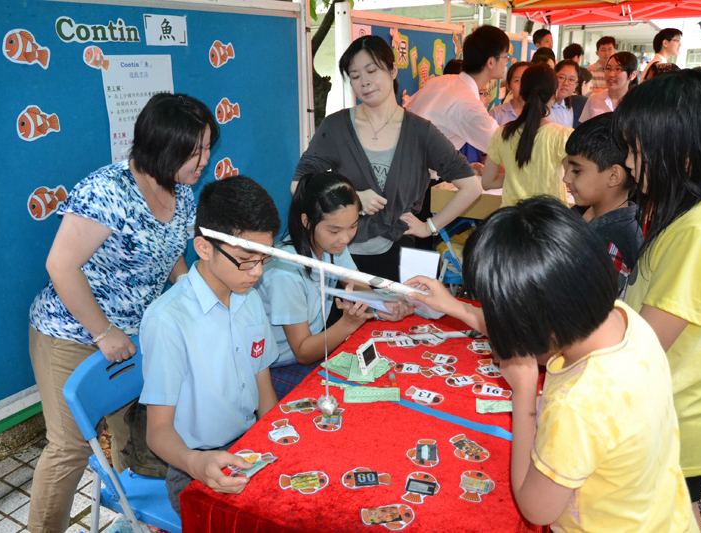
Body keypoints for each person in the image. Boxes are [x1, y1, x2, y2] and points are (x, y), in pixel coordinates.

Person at [404, 197, 698, 533]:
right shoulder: (624, 319)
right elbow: (539, 320)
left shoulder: (577, 406)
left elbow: (536, 509)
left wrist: (524, 392)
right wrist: (457, 307)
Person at [26, 93, 218, 533]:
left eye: (208, 147)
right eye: (195, 151)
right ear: (161, 147)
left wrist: (189, 293)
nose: (205, 161)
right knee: (70, 448)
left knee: (137, 438)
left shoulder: (182, 191)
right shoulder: (107, 191)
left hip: (133, 335)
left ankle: (131, 520)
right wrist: (103, 331)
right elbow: (61, 265)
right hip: (74, 332)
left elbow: (171, 250)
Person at [614, 69, 701, 531]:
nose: (628, 162)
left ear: (682, 151)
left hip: (679, 409)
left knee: (672, 512)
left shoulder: (700, 229)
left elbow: (643, 342)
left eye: (636, 148)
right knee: (681, 507)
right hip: (691, 400)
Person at [140, 176, 281, 515]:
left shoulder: (248, 298)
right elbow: (157, 432)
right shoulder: (168, 320)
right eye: (246, 259)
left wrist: (279, 438)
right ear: (204, 248)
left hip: (250, 445)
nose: (257, 272)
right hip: (194, 466)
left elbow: (264, 392)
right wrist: (196, 463)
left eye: (265, 258)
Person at [293, 35, 482, 282]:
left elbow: (471, 186)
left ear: (393, 70)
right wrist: (354, 198)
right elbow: (299, 184)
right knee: (346, 307)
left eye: (372, 71)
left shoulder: (420, 132)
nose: (364, 82)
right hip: (342, 256)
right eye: (355, 76)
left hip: (398, 255)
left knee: (399, 307)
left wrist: (430, 227)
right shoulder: (336, 127)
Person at [258, 172, 411, 398]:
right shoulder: (285, 271)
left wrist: (389, 304)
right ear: (306, 221)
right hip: (277, 367)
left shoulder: (331, 246)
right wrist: (348, 324)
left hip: (313, 351)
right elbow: (303, 353)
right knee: (352, 396)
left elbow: (359, 286)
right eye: (334, 230)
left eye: (353, 226)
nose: (345, 238)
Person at [563, 113, 642, 296]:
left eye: (576, 170)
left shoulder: (612, 243)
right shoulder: (583, 214)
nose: (566, 178)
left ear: (613, 176)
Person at [479, 63, 572, 207]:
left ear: (522, 94)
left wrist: (515, 176)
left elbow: (487, 182)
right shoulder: (562, 136)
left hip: (512, 217)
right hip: (550, 218)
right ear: (553, 95)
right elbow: (572, 179)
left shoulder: (502, 133)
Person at [405, 25, 507, 152]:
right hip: (421, 163)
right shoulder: (468, 104)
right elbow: (501, 146)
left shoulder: (439, 81)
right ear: (490, 62)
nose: (506, 62)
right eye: (505, 57)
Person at [580, 51, 637, 122]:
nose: (611, 74)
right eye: (608, 68)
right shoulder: (594, 99)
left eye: (618, 69)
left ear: (633, 75)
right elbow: (584, 127)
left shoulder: (637, 104)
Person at [489, 61, 531, 126]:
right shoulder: (495, 114)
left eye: (527, 80)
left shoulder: (543, 113)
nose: (522, 85)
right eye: (517, 80)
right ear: (508, 85)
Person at [550, 59, 588, 128]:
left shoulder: (569, 107)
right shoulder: (543, 106)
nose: (566, 83)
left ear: (576, 85)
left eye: (571, 80)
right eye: (561, 78)